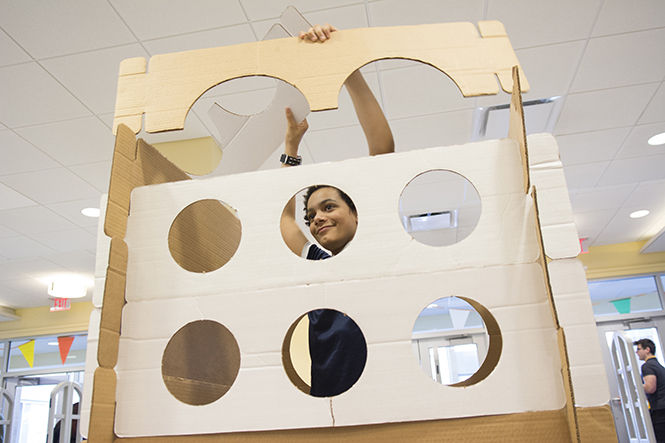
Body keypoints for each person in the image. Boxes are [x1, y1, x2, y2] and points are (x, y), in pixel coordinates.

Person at [280, 24, 394, 397]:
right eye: (312, 215)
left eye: (328, 207)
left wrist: (348, 70)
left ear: (357, 214)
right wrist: (291, 148)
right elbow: (283, 219)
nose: (317, 220)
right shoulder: (316, 259)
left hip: (383, 390)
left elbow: (381, 148)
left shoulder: (375, 247)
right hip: (327, 399)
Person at [635, 338, 665, 442]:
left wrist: (634, 389)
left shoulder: (647, 366)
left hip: (659, 411)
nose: (636, 352)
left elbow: (650, 388)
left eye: (638, 349)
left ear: (647, 349)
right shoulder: (658, 365)